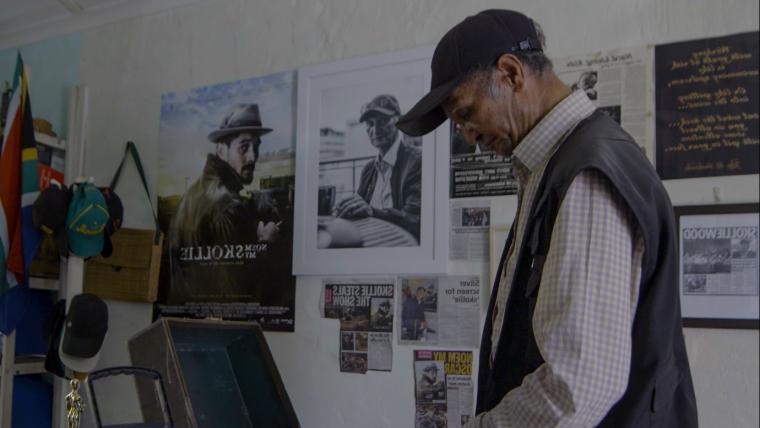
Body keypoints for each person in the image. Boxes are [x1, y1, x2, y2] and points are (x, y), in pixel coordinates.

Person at [396, 9, 697, 427]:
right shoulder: (558, 166)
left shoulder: (587, 175)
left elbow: (578, 385)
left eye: (465, 113)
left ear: (511, 73)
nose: (467, 134)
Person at [168, 103, 282, 302]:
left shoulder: (191, 195)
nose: (253, 157)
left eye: (256, 147)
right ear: (222, 150)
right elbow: (239, 292)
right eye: (244, 147)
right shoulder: (229, 207)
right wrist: (267, 245)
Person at [335, 94, 422, 242]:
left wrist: (371, 211)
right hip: (372, 240)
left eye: (383, 121)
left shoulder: (417, 161)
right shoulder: (369, 169)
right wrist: (348, 208)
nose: (375, 130)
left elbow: (414, 221)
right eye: (370, 123)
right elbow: (359, 208)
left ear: (399, 121)